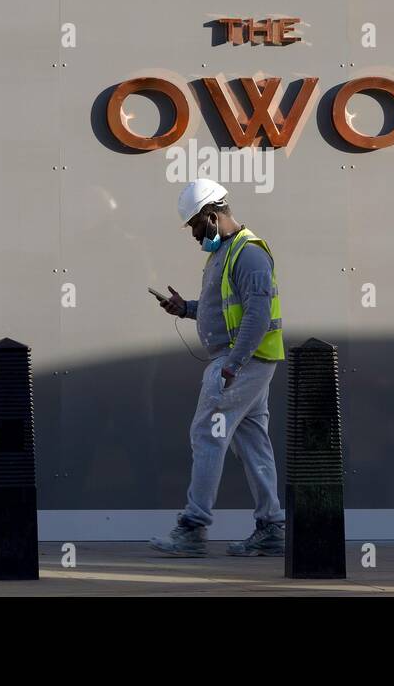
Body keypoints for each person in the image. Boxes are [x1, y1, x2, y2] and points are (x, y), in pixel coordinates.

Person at [149, 179, 287, 557]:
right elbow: (228, 309)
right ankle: (272, 526)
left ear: (212, 216)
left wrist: (234, 364)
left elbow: (257, 316)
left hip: (238, 362)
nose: (195, 235)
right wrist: (186, 309)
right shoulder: (226, 252)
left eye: (196, 225)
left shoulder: (249, 254)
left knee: (207, 436)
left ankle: (192, 528)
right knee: (253, 442)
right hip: (244, 362)